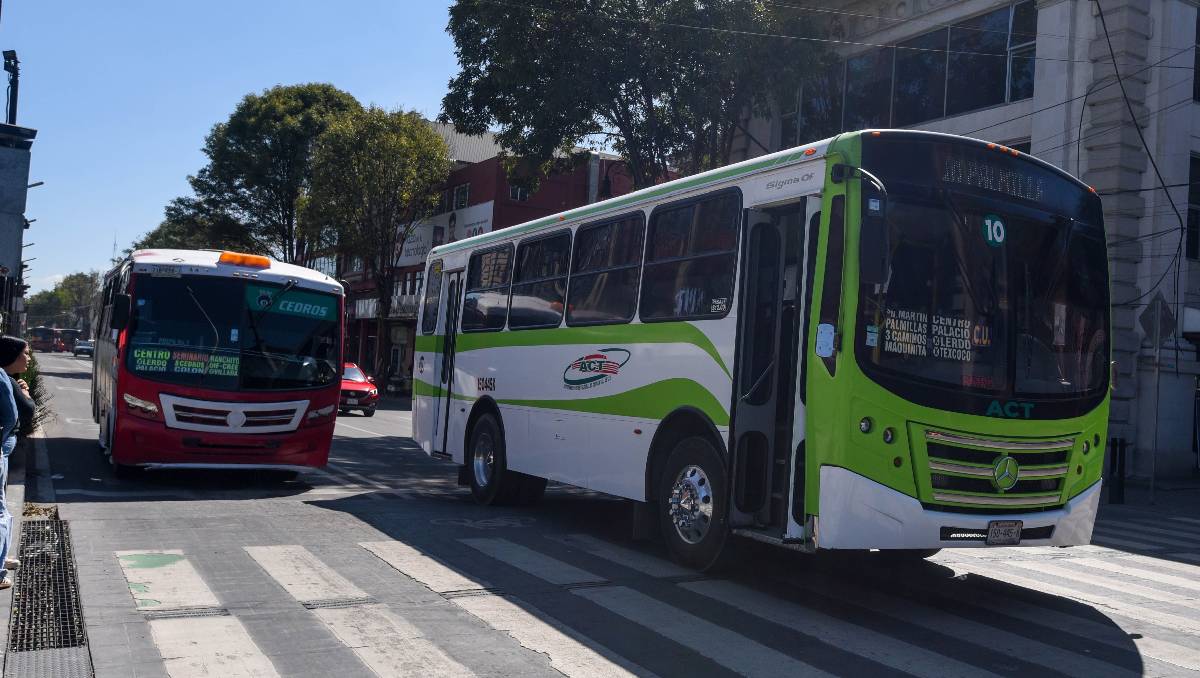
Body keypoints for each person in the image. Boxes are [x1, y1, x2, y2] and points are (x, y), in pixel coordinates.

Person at [0, 336, 29, 589]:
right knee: (1, 510)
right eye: (25, 353)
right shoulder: (2, 377)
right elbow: (12, 416)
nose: (29, 358)